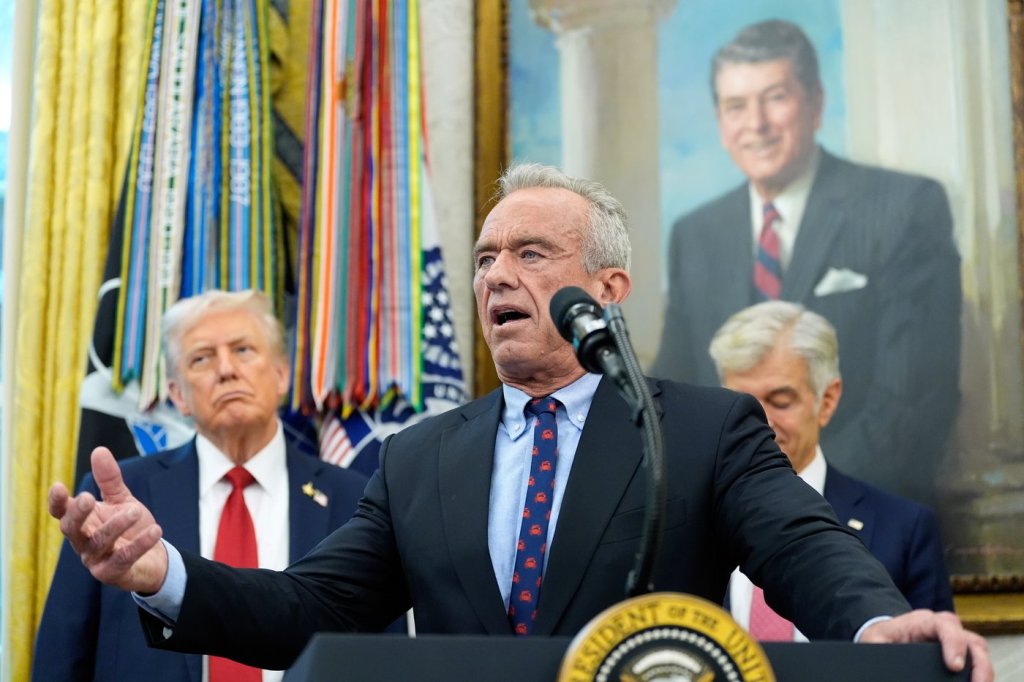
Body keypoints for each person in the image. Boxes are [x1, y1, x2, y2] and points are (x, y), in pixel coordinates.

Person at [47, 164, 990, 681]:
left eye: (531, 254)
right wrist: (161, 573)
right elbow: (309, 608)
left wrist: (878, 624)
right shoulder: (419, 458)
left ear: (608, 289)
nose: (497, 274)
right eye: (486, 258)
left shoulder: (701, 430)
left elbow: (805, 547)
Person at [650, 19, 961, 504]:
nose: (756, 124)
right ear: (720, 123)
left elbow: (911, 405)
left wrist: (792, 509)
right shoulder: (695, 235)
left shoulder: (904, 209)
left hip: (855, 514)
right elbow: (674, 397)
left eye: (775, 97)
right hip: (724, 519)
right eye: (736, 106)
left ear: (815, 104)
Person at [33, 290, 372, 682]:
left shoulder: (354, 499)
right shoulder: (117, 498)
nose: (226, 370)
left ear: (281, 374)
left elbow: (383, 651)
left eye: (243, 350)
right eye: (202, 358)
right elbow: (62, 657)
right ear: (178, 395)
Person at [707, 301, 955, 641]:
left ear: (826, 400)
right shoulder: (689, 522)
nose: (761, 423)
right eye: (741, 406)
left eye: (780, 401)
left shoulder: (905, 529)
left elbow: (923, 661)